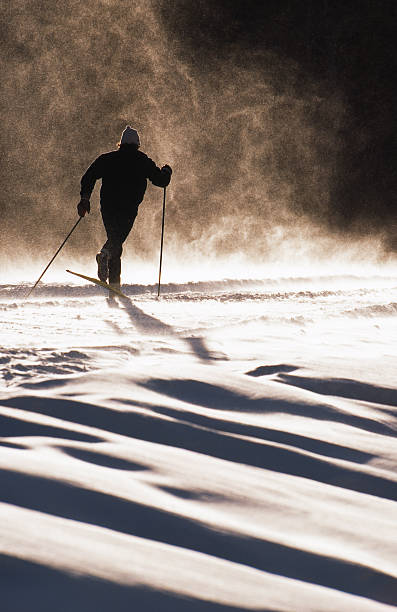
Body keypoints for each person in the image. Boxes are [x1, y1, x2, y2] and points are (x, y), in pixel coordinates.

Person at [77, 126, 172, 288]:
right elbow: (160, 181)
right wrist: (167, 171)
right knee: (116, 241)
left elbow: (89, 177)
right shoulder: (142, 160)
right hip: (128, 208)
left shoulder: (107, 159)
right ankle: (105, 257)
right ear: (137, 145)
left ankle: (114, 285)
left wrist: (85, 198)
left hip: (108, 207)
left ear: (120, 144)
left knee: (116, 242)